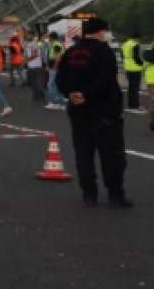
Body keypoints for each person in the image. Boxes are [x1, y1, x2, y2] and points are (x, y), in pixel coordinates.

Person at [55, 18, 132, 208]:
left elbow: (60, 79)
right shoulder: (104, 52)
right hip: (104, 111)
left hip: (78, 112)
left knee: (83, 154)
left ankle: (89, 194)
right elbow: (106, 80)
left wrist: (71, 94)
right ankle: (115, 195)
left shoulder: (70, 52)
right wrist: (87, 95)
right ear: (100, 32)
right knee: (112, 155)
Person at [121, 33, 144, 111]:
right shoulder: (135, 45)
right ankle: (135, 105)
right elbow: (136, 57)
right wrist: (142, 64)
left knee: (131, 87)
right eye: (139, 39)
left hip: (127, 68)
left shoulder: (124, 44)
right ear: (136, 38)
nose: (139, 41)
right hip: (136, 69)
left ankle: (131, 104)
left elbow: (122, 56)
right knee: (135, 88)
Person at [45, 32, 67, 109]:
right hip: (56, 67)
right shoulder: (56, 44)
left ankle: (54, 102)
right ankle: (61, 103)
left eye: (49, 37)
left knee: (50, 85)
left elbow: (58, 57)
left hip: (55, 68)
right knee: (56, 85)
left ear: (52, 37)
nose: (48, 38)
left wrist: (54, 66)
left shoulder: (56, 44)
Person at [24, 32, 45, 103]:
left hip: (33, 66)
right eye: (27, 35)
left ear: (32, 36)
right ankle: (39, 94)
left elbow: (34, 54)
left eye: (28, 35)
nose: (27, 36)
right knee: (36, 82)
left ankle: (38, 94)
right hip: (36, 65)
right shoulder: (35, 44)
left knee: (34, 82)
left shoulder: (32, 44)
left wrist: (26, 60)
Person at [144, 48, 154, 132]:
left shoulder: (147, 52)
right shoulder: (148, 53)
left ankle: (152, 123)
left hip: (150, 79)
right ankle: (152, 123)